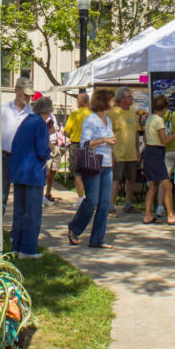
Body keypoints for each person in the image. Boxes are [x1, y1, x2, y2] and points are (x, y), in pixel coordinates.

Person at [68, 88, 117, 249]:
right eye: (111, 99)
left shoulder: (108, 120)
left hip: (107, 164)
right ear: (104, 101)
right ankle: (75, 228)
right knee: (92, 200)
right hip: (94, 164)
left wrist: (111, 146)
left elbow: (108, 140)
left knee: (104, 203)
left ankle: (97, 238)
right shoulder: (91, 119)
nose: (113, 102)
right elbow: (85, 144)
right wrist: (104, 140)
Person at [10, 97, 54, 258]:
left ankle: (16, 245)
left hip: (19, 171)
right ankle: (27, 249)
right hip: (33, 172)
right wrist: (49, 152)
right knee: (33, 213)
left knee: (19, 212)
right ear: (49, 111)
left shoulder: (26, 121)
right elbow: (42, 149)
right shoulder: (41, 124)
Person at [142, 94, 175, 224]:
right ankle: (171, 215)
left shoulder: (150, 118)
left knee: (153, 185)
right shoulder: (159, 120)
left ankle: (148, 214)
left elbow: (144, 138)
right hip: (156, 152)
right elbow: (164, 140)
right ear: (165, 107)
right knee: (167, 185)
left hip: (149, 151)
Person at [1, 77, 34, 215]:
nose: (28, 97)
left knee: (22, 197)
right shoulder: (3, 109)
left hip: (24, 159)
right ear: (16, 91)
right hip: (5, 157)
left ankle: (18, 230)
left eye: (29, 94)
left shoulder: (32, 112)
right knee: (2, 194)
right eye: (25, 93)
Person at [108, 87, 140, 214]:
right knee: (116, 180)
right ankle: (110, 205)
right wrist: (111, 153)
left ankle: (128, 204)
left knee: (131, 179)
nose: (131, 99)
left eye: (131, 96)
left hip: (131, 153)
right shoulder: (113, 113)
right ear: (121, 99)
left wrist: (137, 149)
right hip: (118, 153)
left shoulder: (133, 112)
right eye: (128, 97)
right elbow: (108, 134)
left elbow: (136, 132)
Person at [64, 92, 91, 208]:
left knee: (77, 173)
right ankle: (90, 197)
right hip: (90, 145)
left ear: (80, 102)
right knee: (89, 171)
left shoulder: (74, 115)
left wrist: (72, 136)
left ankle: (80, 198)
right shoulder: (92, 115)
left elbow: (66, 131)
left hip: (76, 145)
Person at [42, 109, 64, 207]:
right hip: (46, 146)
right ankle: (41, 195)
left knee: (52, 170)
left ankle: (48, 193)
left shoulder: (53, 117)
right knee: (45, 171)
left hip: (54, 146)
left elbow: (54, 130)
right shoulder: (40, 117)